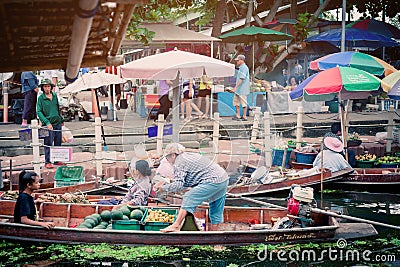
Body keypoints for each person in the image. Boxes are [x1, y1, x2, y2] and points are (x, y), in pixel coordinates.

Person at [154, 143, 229, 232]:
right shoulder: (188, 156)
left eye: (167, 157)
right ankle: (216, 242)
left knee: (189, 196)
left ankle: (176, 225)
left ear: (173, 155)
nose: (167, 160)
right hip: (223, 178)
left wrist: (164, 188)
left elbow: (179, 184)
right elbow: (186, 181)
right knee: (215, 208)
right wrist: (169, 185)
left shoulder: (179, 162)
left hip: (212, 180)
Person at [36, 79, 65, 169]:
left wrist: (61, 119)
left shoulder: (54, 95)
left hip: (57, 122)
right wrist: (47, 122)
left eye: (48, 86)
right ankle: (47, 161)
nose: (47, 88)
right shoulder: (41, 98)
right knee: (48, 143)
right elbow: (39, 112)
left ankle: (57, 159)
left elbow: (57, 108)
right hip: (48, 124)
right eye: (45, 86)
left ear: (51, 87)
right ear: (42, 88)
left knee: (58, 141)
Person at [230, 54, 250, 121]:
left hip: (243, 89)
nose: (237, 62)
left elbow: (241, 79)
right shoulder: (240, 68)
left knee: (243, 103)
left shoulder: (244, 68)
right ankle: (238, 115)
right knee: (236, 102)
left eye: (238, 61)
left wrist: (235, 87)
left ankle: (244, 116)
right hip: (238, 90)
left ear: (241, 60)